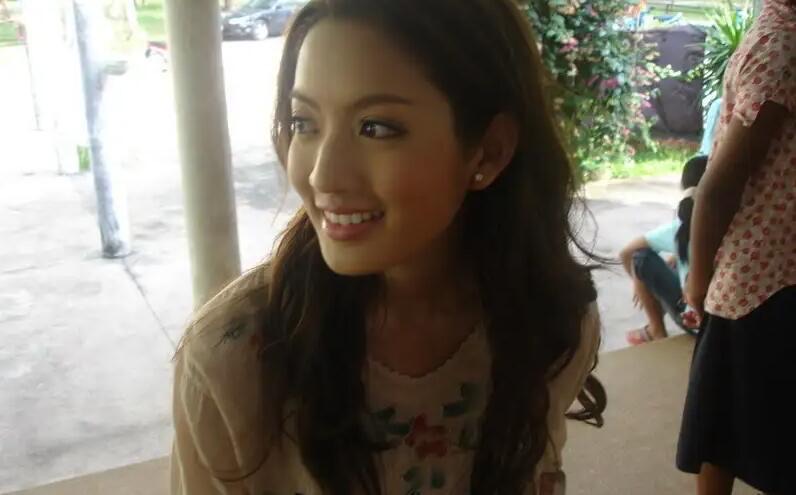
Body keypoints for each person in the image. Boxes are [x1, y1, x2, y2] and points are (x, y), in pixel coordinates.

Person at [170, 0, 602, 494]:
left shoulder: (551, 319)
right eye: (304, 123)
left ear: (488, 151)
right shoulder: (229, 363)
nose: (322, 175)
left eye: (375, 127)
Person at [677, 0, 796, 493]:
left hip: (756, 270)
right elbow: (721, 183)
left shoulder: (774, 27)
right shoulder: (784, 43)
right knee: (739, 426)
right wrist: (698, 276)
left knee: (720, 425)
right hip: (765, 275)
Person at [621, 155, 708, 345]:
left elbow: (627, 252)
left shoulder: (681, 227)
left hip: (697, 323)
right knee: (676, 263)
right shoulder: (738, 225)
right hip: (726, 325)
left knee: (640, 258)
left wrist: (638, 282)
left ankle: (656, 330)